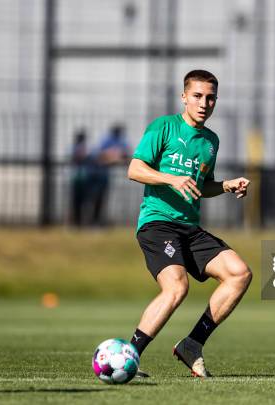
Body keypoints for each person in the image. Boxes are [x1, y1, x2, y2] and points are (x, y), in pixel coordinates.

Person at [127, 70, 252, 378]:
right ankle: (127, 357)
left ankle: (192, 345)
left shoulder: (211, 142)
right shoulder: (164, 127)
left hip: (190, 229)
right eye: (197, 96)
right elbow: (134, 168)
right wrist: (171, 178)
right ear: (184, 96)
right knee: (177, 287)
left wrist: (225, 185)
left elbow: (201, 186)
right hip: (158, 224)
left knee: (239, 274)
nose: (203, 103)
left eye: (210, 98)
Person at [89, 124, 131, 226]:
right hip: (95, 174)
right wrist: (113, 156)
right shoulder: (107, 140)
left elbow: (126, 154)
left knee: (101, 199)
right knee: (94, 198)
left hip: (104, 175)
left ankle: (97, 220)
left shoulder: (120, 140)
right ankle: (91, 220)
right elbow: (99, 155)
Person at [70, 129, 90, 227]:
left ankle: (82, 221)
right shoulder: (74, 147)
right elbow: (76, 158)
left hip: (83, 177)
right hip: (76, 178)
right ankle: (75, 221)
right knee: (76, 201)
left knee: (83, 201)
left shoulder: (84, 147)